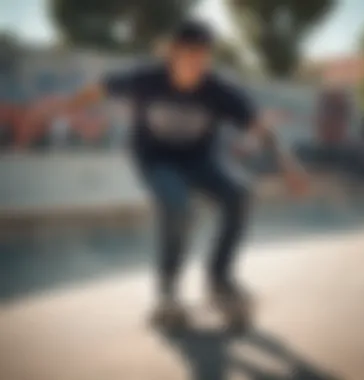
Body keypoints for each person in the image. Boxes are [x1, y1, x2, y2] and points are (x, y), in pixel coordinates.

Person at [48, 20, 309, 328]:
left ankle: (219, 279)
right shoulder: (147, 79)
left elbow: (257, 125)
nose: (195, 64)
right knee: (178, 205)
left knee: (239, 194)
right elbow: (101, 88)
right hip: (157, 160)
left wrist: (288, 163)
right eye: (188, 55)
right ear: (172, 53)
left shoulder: (218, 89)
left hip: (202, 160)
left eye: (202, 56)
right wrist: (65, 106)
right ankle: (167, 293)